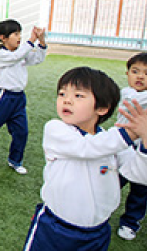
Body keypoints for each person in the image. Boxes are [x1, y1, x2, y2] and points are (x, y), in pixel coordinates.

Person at [23, 67, 147, 251]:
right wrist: (131, 132)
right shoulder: (56, 129)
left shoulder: (111, 142)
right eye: (62, 93)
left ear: (102, 108)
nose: (67, 99)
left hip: (97, 232)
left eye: (78, 95)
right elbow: (87, 148)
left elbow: (139, 175)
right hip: (55, 228)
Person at [0, 19, 47, 175]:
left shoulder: (21, 53)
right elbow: (15, 57)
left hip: (19, 99)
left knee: (21, 132)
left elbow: (37, 58)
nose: (19, 37)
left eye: (20, 34)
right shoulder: (1, 54)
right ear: (3, 38)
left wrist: (41, 41)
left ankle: (15, 161)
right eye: (16, 34)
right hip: (4, 97)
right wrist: (31, 40)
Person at [116, 52, 147, 240]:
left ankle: (129, 223)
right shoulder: (127, 93)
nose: (140, 76)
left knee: (140, 190)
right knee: (111, 183)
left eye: (146, 73)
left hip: (143, 153)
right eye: (135, 71)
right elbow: (138, 102)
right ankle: (99, 212)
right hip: (122, 148)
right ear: (127, 74)